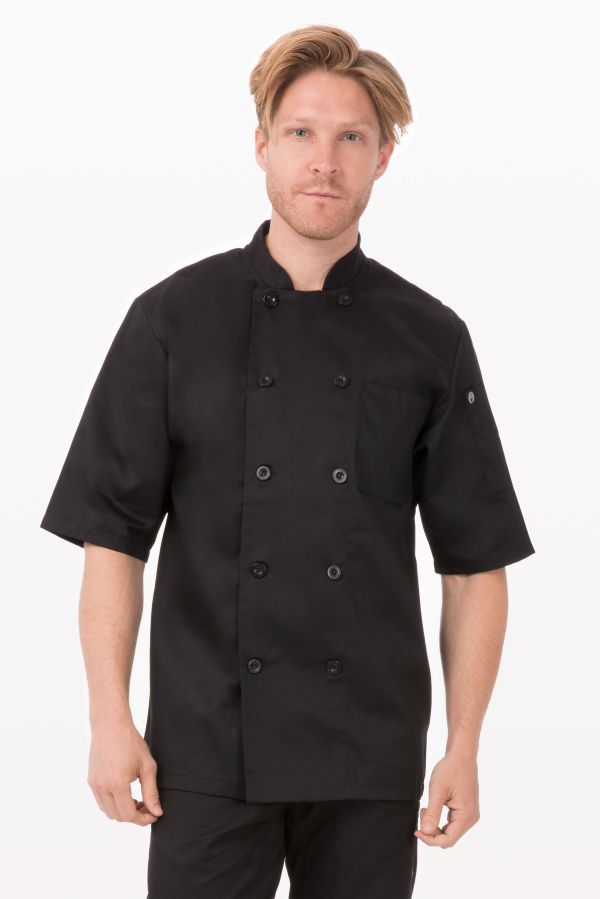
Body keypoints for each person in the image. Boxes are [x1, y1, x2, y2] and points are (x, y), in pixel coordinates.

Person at [40, 23, 535, 899]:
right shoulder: (171, 320)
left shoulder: (431, 338)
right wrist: (109, 720)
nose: (324, 162)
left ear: (383, 158)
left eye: (352, 137)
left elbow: (474, 564)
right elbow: (113, 537)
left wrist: (463, 746)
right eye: (302, 132)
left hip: (369, 750)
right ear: (262, 144)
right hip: (204, 744)